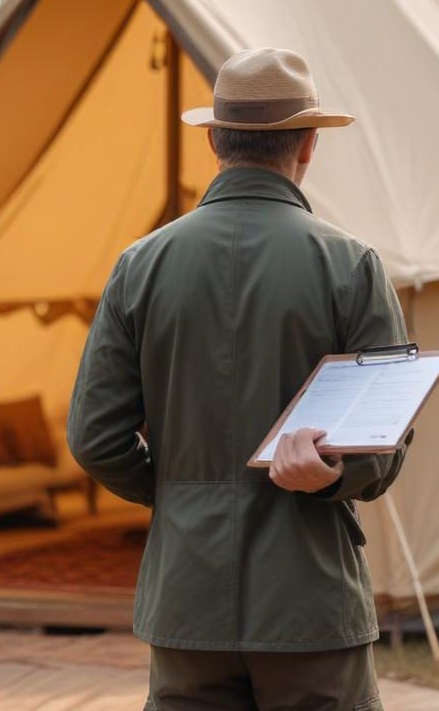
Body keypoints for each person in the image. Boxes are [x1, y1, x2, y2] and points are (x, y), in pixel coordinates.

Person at [68, 47, 409, 711]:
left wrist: (181, 493)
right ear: (308, 144)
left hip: (185, 603)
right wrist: (333, 477)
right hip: (310, 603)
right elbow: (383, 443)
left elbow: (95, 440)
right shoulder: (350, 266)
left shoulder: (139, 266)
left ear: (215, 141)